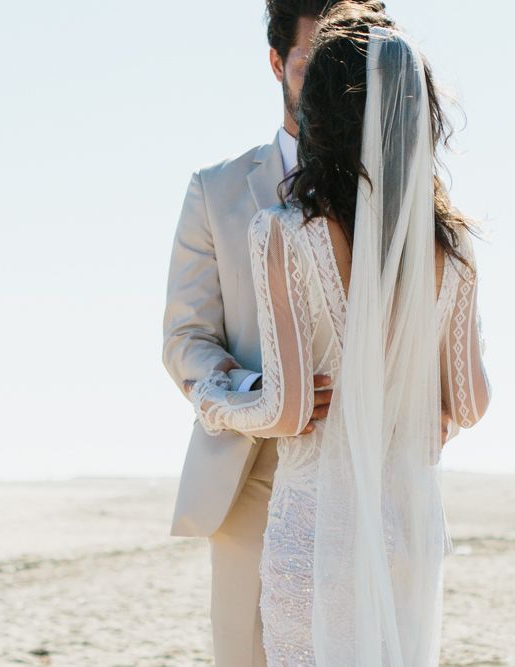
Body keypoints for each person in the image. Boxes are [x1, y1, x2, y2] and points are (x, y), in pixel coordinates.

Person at [182, 4, 491, 664]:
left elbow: (290, 409)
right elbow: (469, 403)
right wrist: (419, 404)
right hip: (406, 529)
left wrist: (215, 402)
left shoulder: (283, 232)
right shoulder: (452, 246)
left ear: (321, 110)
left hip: (314, 530)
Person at [161, 2, 384, 664]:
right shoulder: (215, 191)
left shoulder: (394, 195)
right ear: (275, 63)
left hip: (369, 476)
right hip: (249, 472)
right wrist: (265, 394)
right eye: (311, 65)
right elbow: (185, 339)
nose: (327, 87)